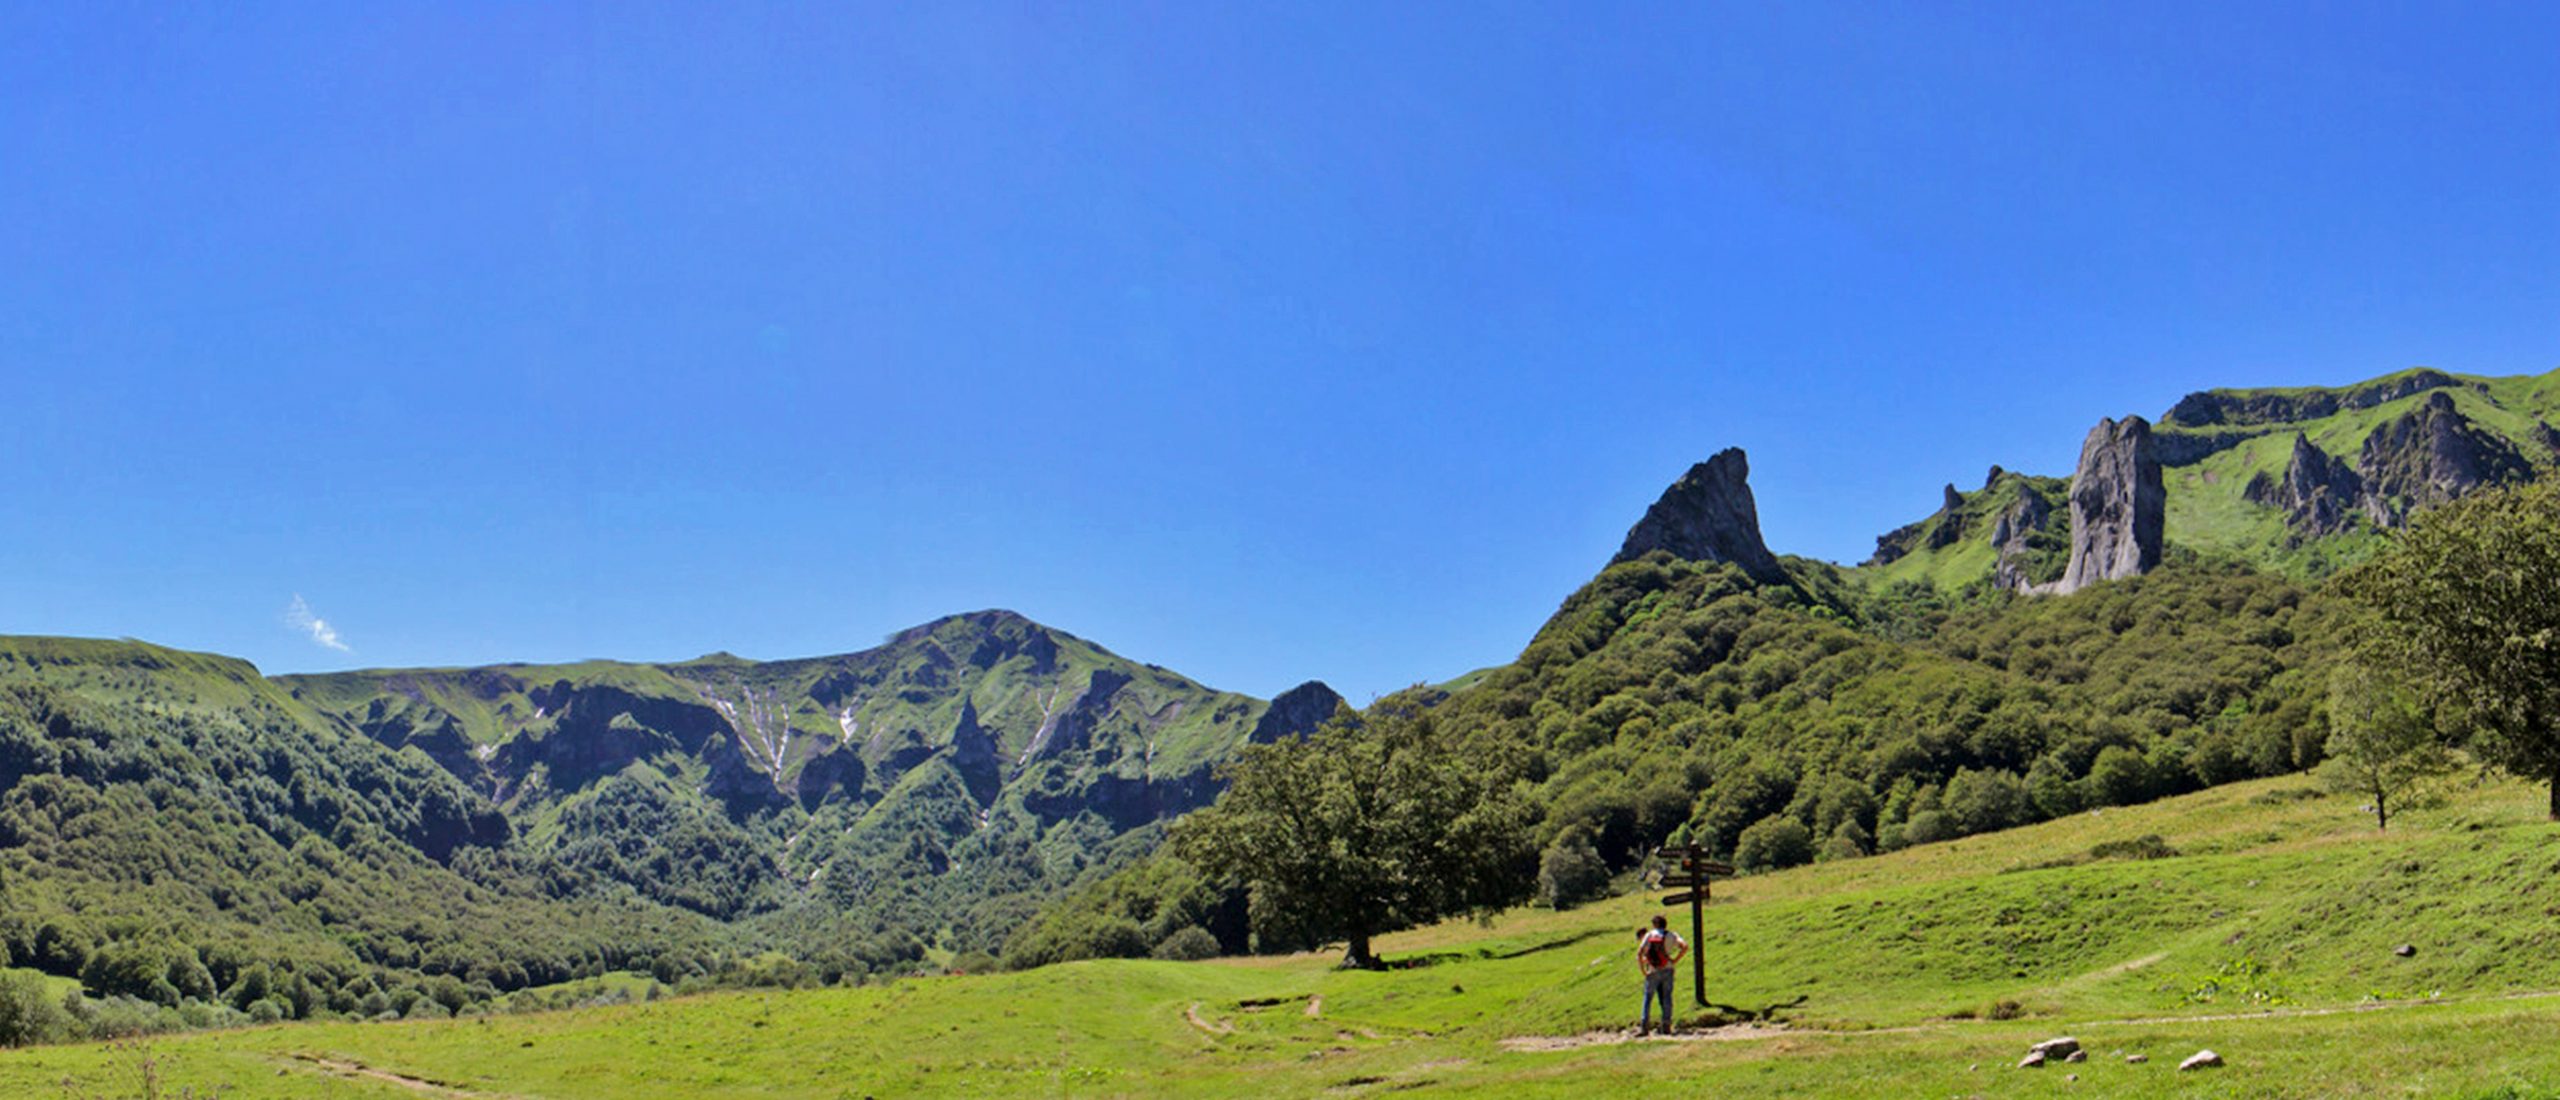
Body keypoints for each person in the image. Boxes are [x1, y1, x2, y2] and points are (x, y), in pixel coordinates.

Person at [1635, 914, 1688, 1035]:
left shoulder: (1649, 935)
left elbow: (1639, 953)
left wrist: (1643, 970)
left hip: (1652, 970)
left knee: (1647, 998)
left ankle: (1644, 1027)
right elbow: (1684, 946)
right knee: (1667, 997)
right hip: (1668, 969)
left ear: (1654, 924)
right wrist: (1675, 960)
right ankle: (1666, 1026)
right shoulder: (1671, 935)